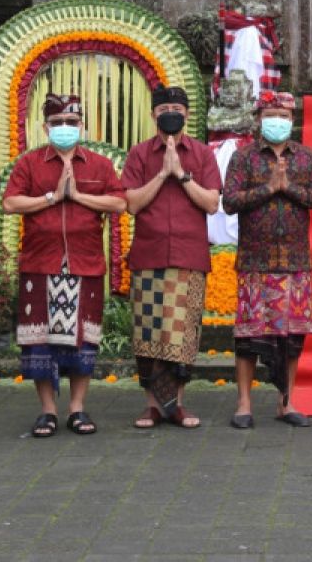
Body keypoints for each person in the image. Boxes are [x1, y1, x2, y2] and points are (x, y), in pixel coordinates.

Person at [2, 94, 126, 438]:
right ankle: (47, 412)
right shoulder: (29, 164)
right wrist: (52, 198)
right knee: (38, 340)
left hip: (84, 264)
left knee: (83, 339)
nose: (65, 129)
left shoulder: (99, 165)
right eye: (57, 123)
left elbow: (119, 202)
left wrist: (77, 196)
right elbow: (10, 203)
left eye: (71, 123)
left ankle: (77, 409)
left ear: (81, 124)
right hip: (40, 263)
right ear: (45, 127)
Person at [222, 90, 312, 429]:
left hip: (295, 262)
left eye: (283, 116)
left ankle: (287, 402)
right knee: (249, 336)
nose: (277, 122)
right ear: (258, 119)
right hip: (255, 261)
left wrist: (289, 189)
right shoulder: (243, 158)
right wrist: (268, 188)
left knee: (291, 337)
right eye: (270, 115)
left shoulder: (308, 158)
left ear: (293, 120)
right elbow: (229, 201)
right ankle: (243, 404)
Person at [122, 84, 222, 429]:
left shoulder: (203, 154)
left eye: (176, 111)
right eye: (163, 111)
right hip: (148, 254)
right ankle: (151, 405)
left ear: (188, 114)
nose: (170, 116)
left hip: (189, 255)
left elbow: (211, 203)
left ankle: (177, 404)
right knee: (149, 331)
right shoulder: (139, 154)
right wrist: (162, 173)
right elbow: (131, 203)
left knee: (182, 334)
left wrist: (180, 173)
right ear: (153, 115)